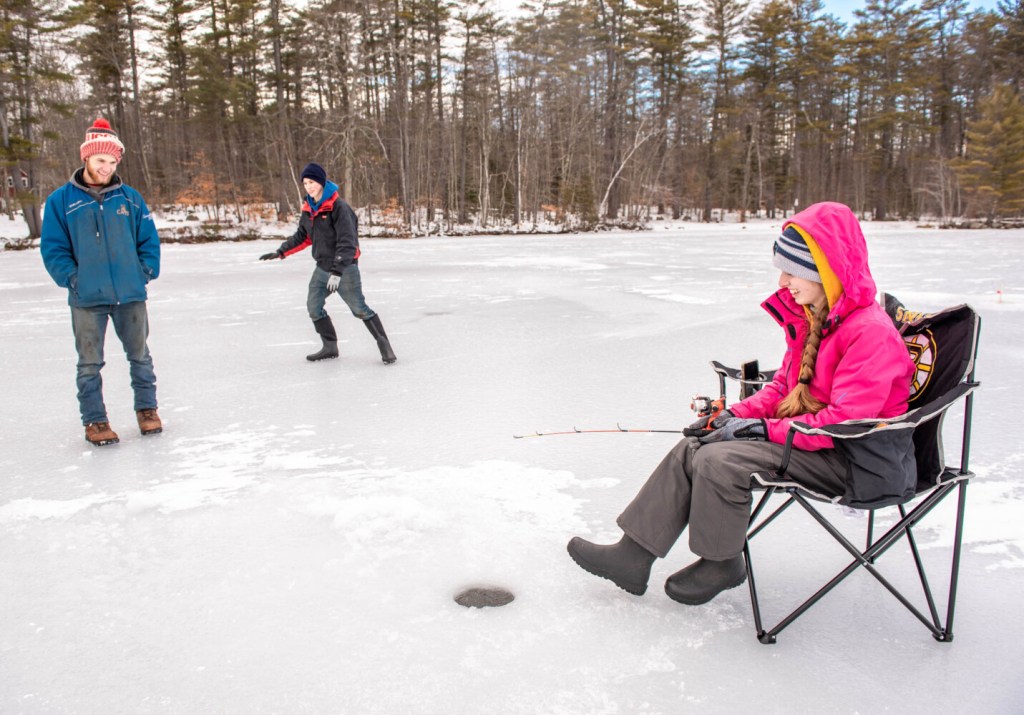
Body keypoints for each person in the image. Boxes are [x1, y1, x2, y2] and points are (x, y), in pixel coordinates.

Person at [566, 201, 916, 605]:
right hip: (811, 442)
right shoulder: (815, 319)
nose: (783, 281)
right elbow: (782, 389)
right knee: (697, 446)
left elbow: (848, 421)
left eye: (793, 272)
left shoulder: (869, 334)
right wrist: (733, 416)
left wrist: (762, 430)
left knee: (721, 461)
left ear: (827, 272)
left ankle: (722, 562)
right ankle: (632, 554)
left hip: (856, 461)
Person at [40, 118, 163, 446]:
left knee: (140, 355)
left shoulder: (131, 199)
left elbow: (149, 241)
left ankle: (147, 411)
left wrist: (144, 272)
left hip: (130, 293)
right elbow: (54, 248)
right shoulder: (61, 201)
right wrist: (73, 279)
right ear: (86, 158)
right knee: (89, 362)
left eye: (111, 161)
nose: (106, 167)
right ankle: (95, 421)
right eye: (100, 161)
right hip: (87, 296)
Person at [259, 162, 397, 365]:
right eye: (305, 183)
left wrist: (337, 271)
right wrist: (280, 252)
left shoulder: (339, 207)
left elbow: (348, 243)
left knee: (359, 309)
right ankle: (330, 347)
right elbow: (304, 237)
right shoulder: (309, 209)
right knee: (313, 307)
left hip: (345, 269)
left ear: (322, 182)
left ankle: (385, 346)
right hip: (322, 268)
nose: (309, 186)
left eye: (312, 182)